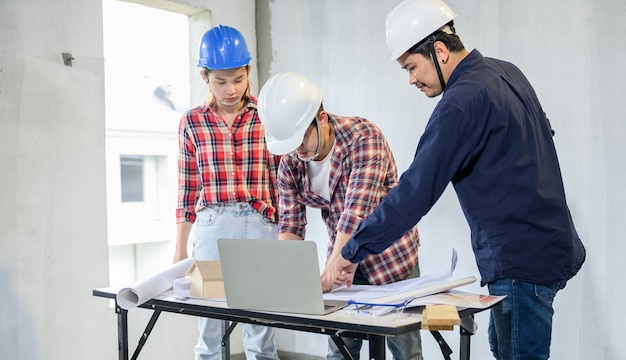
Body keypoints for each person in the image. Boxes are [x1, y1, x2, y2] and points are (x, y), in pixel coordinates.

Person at [323, 1, 586, 359]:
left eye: (412, 67)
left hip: (520, 262)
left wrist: (353, 250)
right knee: (505, 349)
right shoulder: (506, 72)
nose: (411, 79)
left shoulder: (461, 104)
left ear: (440, 51)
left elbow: (415, 192)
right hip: (548, 247)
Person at [257, 71, 423, 360]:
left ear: (321, 119)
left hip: (391, 262)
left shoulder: (363, 137)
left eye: (301, 138)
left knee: (406, 354)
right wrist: (288, 279)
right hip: (344, 266)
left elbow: (355, 211)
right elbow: (291, 227)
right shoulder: (291, 163)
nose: (297, 149)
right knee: (339, 352)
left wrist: (329, 271)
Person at [173, 25, 281, 360]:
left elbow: (285, 180)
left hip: (261, 224)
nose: (231, 89)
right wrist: (179, 251)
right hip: (212, 227)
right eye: (221, 81)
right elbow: (187, 188)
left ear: (248, 70)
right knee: (209, 334)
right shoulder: (191, 122)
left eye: (238, 78)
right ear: (204, 76)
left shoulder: (269, 114)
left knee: (261, 333)